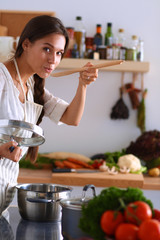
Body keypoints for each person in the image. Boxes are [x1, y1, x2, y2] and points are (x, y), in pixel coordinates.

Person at [0, 15, 98, 214]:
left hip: (4, 197)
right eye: (47, 49)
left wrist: (83, 85)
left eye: (59, 52)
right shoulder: (2, 79)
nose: (54, 60)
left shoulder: (32, 86)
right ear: (26, 44)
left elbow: (72, 118)